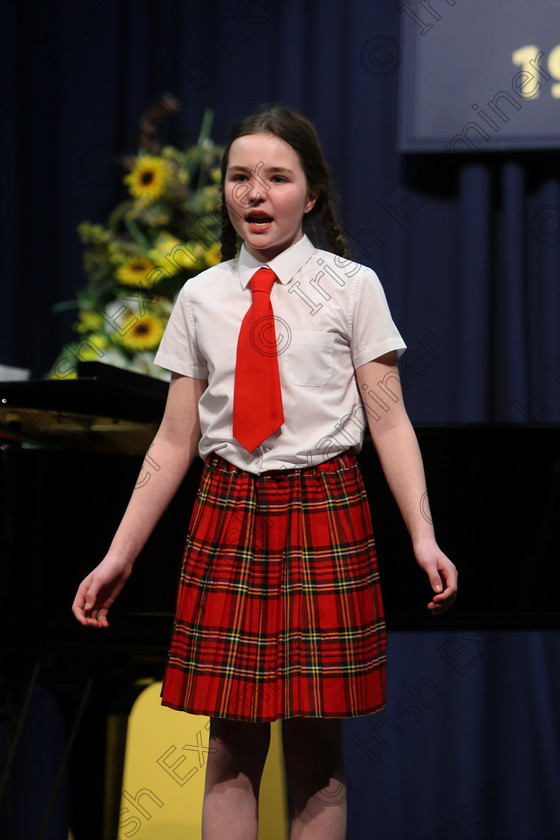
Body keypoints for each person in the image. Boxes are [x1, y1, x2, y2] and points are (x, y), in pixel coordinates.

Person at [72, 105, 457, 840]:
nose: (256, 193)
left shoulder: (351, 286)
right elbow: (173, 441)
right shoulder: (202, 296)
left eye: (278, 178)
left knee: (317, 749)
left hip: (324, 508)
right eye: (240, 177)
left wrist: (424, 537)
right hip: (228, 511)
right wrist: (118, 553)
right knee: (229, 745)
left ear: (310, 195)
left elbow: (389, 421)